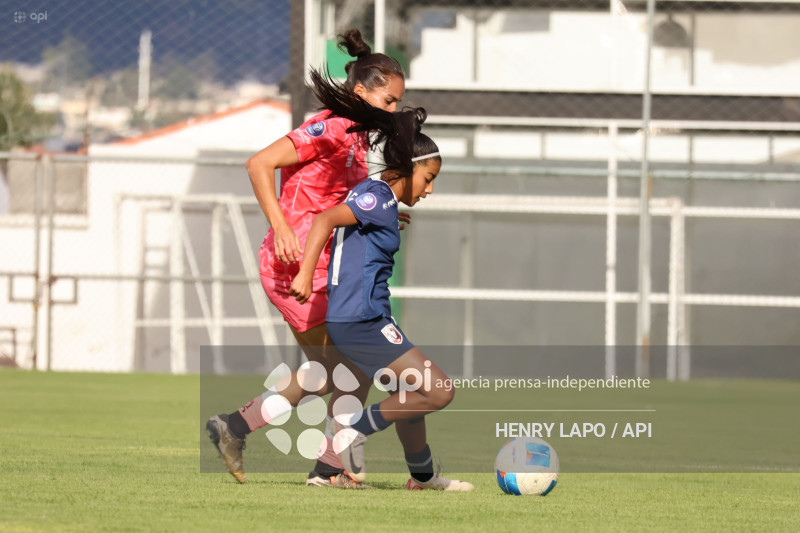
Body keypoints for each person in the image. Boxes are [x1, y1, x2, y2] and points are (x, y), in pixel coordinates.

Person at [206, 28, 414, 489]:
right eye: (389, 102)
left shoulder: (358, 139)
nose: (394, 111)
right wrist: (281, 226)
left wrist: (379, 214)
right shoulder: (332, 127)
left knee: (334, 372)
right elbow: (258, 164)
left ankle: (236, 428)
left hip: (321, 265)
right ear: (361, 92)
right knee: (348, 371)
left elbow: (335, 199)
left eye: (399, 102)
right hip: (292, 265)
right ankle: (328, 468)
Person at [289, 70, 474, 491]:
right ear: (405, 169)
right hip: (362, 321)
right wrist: (304, 273)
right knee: (438, 390)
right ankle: (351, 432)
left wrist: (390, 220)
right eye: (428, 179)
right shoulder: (376, 197)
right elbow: (323, 220)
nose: (429, 190)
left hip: (362, 318)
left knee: (412, 399)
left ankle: (401, 476)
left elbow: (361, 224)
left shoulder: (382, 201)